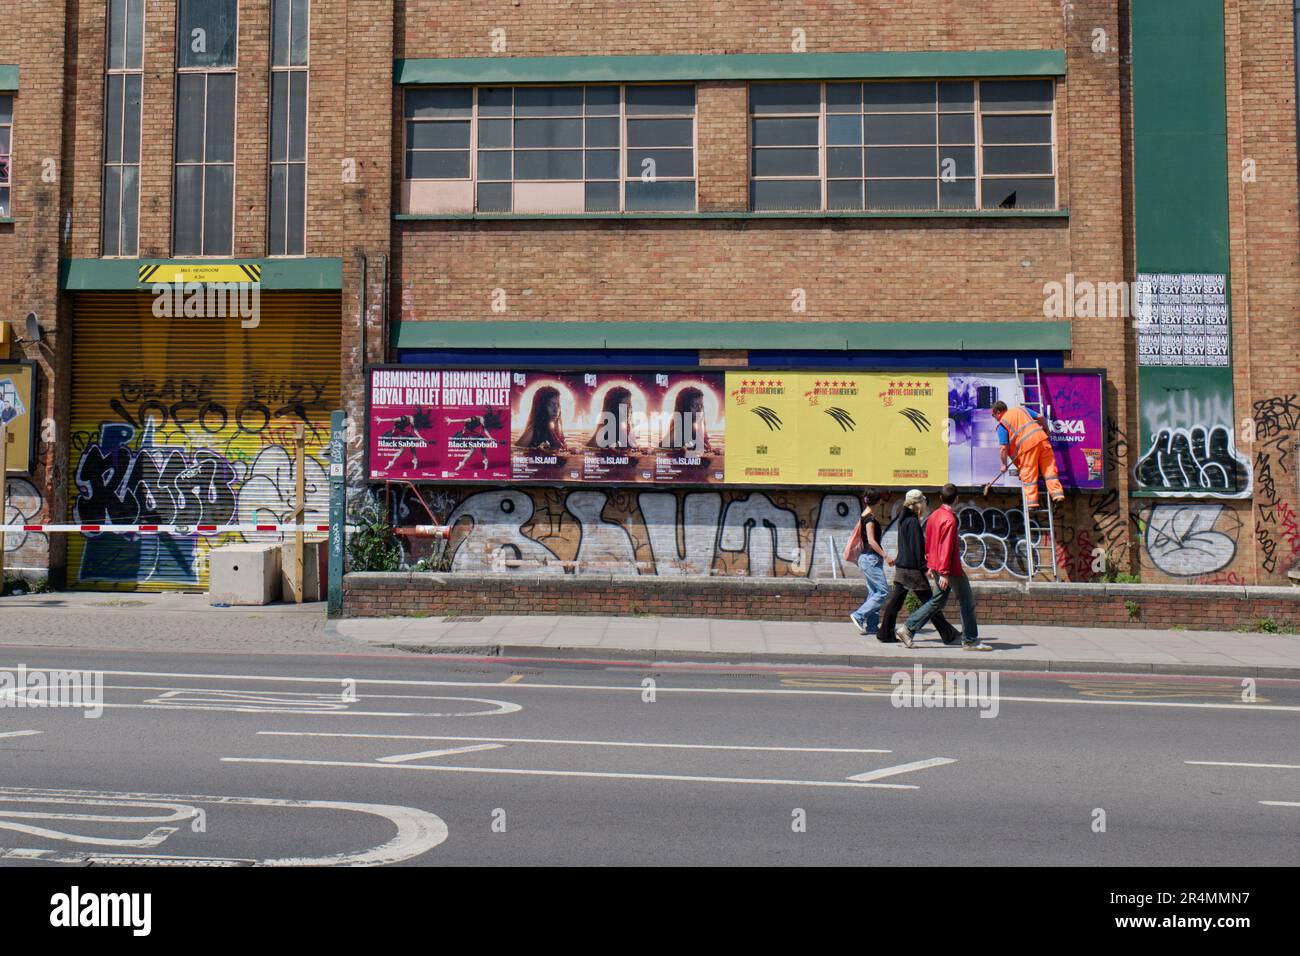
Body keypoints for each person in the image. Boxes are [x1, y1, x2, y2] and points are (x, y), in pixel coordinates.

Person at [896, 483, 992, 651]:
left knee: (936, 602)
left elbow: (929, 543)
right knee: (967, 602)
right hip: (950, 569)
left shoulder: (933, 516)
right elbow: (947, 547)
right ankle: (970, 640)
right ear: (957, 499)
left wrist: (932, 566)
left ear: (941, 498)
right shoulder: (950, 519)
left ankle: (908, 629)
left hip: (937, 566)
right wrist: (945, 573)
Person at [877, 489, 961, 646]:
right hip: (913, 571)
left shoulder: (903, 519)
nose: (925, 505)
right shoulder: (913, 522)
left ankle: (885, 633)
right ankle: (948, 635)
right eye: (923, 502)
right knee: (932, 604)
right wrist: (926, 567)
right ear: (917, 504)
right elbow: (917, 549)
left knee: (896, 603)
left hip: (903, 567)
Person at [984, 400, 1064, 509]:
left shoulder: (1002, 424)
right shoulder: (1021, 409)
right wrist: (1047, 431)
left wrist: (1003, 464)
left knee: (1028, 474)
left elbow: (1003, 448)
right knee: (1050, 471)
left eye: (993, 415)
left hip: (1028, 447)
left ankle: (1032, 503)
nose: (994, 417)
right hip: (1042, 440)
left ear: (998, 412)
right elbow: (1040, 417)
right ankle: (1057, 495)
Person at [847, 489, 892, 636]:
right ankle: (859, 615)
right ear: (878, 501)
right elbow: (871, 541)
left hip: (869, 558)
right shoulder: (870, 519)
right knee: (883, 591)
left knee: (874, 592)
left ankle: (872, 626)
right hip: (870, 558)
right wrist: (885, 556)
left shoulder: (864, 515)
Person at [516, 386, 567, 450]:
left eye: (558, 405)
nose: (556, 409)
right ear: (541, 407)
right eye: (551, 404)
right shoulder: (533, 430)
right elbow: (515, 450)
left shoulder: (556, 430)